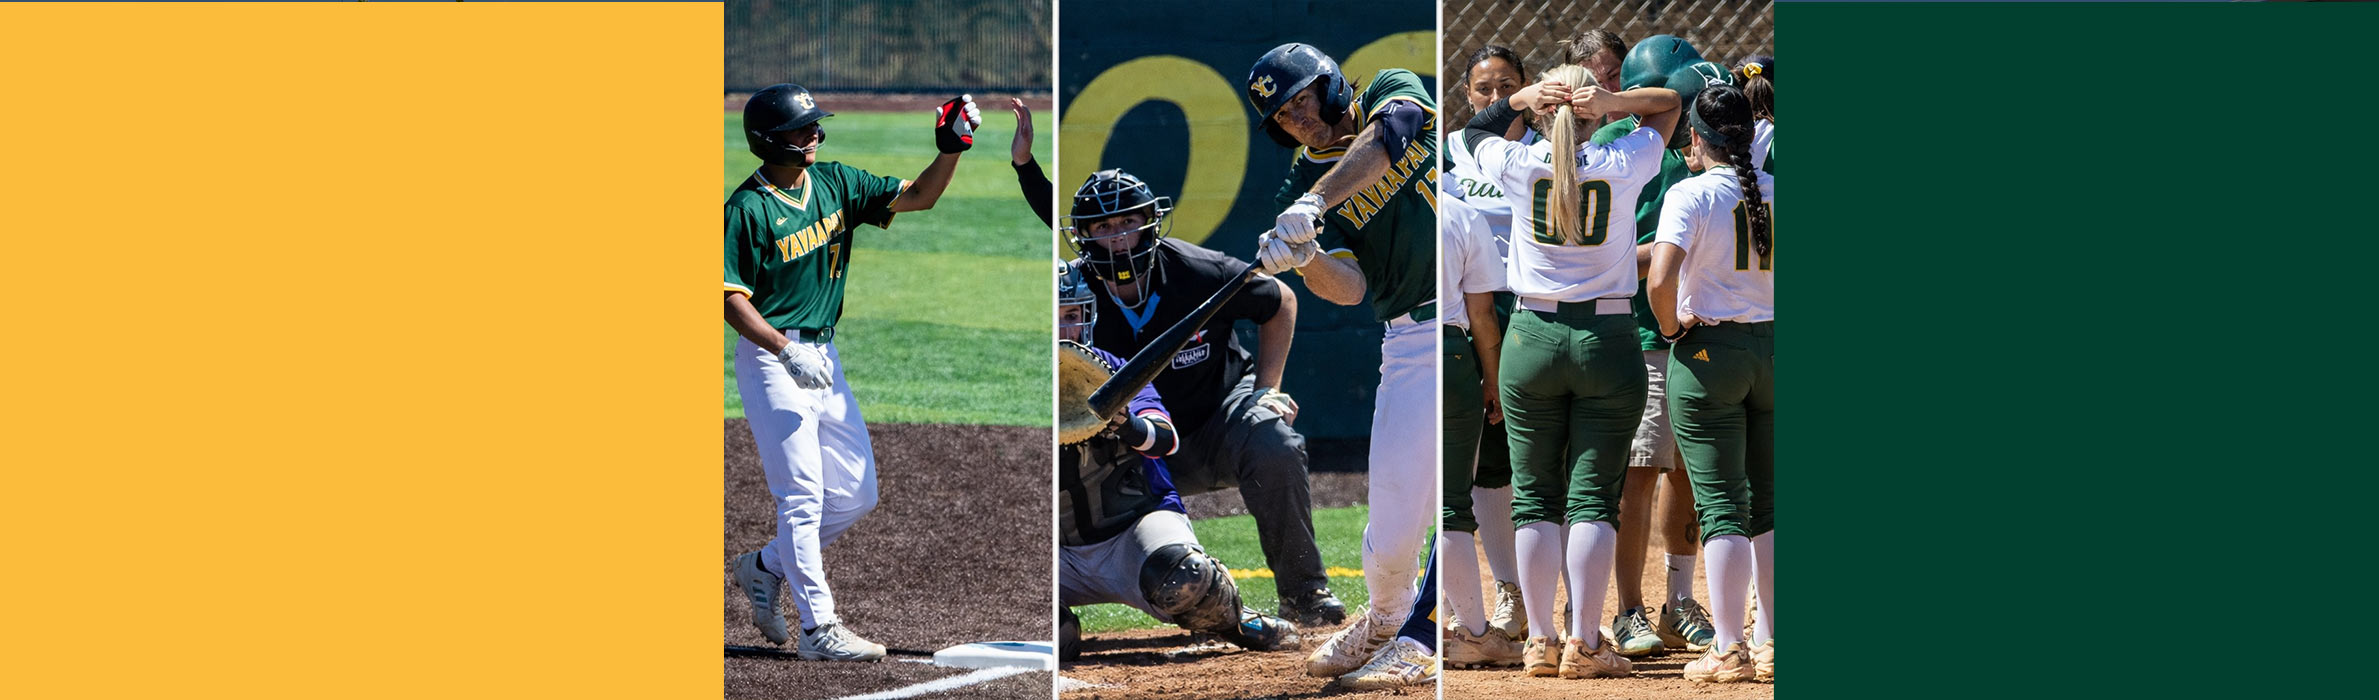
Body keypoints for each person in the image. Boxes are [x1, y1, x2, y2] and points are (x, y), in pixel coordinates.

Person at [724, 84, 978, 661]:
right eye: (801, 127)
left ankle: (762, 566)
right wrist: (784, 350)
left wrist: (952, 148)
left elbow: (919, 198)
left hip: (825, 358)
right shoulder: (747, 209)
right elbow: (729, 297)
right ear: (769, 139)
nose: (814, 133)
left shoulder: (836, 182)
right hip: (773, 360)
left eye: (815, 124)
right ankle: (819, 630)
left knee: (857, 493)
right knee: (802, 498)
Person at [1462, 61, 1677, 680]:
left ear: (1538, 112)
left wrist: (1524, 99)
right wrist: (1613, 101)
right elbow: (1669, 104)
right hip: (1608, 335)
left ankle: (1540, 640)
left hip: (1531, 336)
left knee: (1534, 496)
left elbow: (1477, 131)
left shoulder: (1518, 162)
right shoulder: (1624, 160)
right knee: (1592, 499)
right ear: (1592, 114)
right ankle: (1586, 642)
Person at [1062, 169, 1344, 626]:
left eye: (1128, 221)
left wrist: (1268, 389)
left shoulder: (1197, 270)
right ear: (1085, 236)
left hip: (1218, 419)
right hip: (1130, 445)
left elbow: (1281, 302)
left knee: (1274, 441)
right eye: (1104, 226)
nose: (1119, 236)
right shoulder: (1073, 295)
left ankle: (1304, 593)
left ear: (1150, 221)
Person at [1240, 42, 1438, 679]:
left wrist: (1314, 207)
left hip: (1482, 305)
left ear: (1328, 84)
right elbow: (1350, 289)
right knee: (1392, 514)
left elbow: (1391, 139)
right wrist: (1306, 258)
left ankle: (1427, 637)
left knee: (1473, 491)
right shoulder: (1300, 183)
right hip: (1411, 335)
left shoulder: (1389, 87)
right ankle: (1386, 617)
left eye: (1302, 99)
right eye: (1284, 116)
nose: (1298, 118)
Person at [1055, 264, 1298, 661]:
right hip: (1059, 552)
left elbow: (1165, 439)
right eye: (1051, 317)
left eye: (1070, 316)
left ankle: (1235, 618)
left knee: (1183, 577)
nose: (1062, 330)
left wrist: (1125, 423)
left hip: (1132, 534)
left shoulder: (1118, 372)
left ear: (1087, 316)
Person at [1594, 37, 1735, 657]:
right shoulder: (1618, 144)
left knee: (1688, 471)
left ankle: (1679, 599)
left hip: (1701, 328)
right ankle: (1628, 609)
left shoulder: (1706, 146)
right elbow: (1614, 252)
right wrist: (1672, 252)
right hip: (1644, 329)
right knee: (1640, 470)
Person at [1647, 82, 1775, 685]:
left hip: (1709, 352)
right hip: (1773, 350)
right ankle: (1771, 640)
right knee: (1771, 502)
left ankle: (1728, 648)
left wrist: (1673, 331)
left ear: (1696, 138)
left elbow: (1660, 282)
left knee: (1724, 504)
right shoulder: (1776, 186)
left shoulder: (1690, 193)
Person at [1442, 44, 1534, 644]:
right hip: (1469, 311)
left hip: (1527, 310)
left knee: (1533, 459)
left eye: (1508, 86)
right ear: (1467, 96)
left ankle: (1566, 605)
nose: (1497, 98)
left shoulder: (1549, 150)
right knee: (1478, 463)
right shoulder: (1449, 152)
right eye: (1484, 89)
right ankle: (1509, 593)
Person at [1436, 193, 1523, 669]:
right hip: (1456, 338)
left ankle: (1406, 613)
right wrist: (1491, 375)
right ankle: (1476, 618)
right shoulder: (1454, 194)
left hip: (1403, 345)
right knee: (1457, 489)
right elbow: (1481, 311)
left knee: (1420, 493)